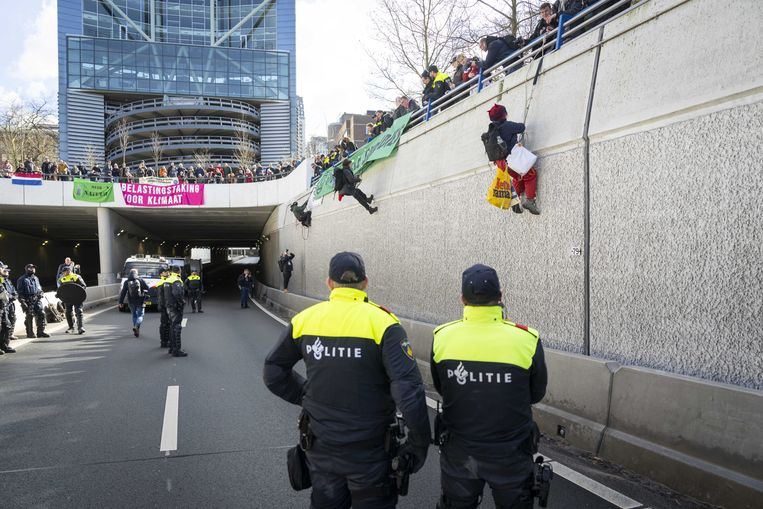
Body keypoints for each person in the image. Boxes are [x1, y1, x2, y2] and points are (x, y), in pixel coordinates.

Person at [263, 251, 431, 509]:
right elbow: (408, 391)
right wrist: (417, 446)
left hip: (321, 448)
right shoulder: (384, 324)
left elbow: (273, 371)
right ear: (365, 282)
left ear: (329, 283)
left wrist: (306, 396)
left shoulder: (305, 320)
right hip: (372, 453)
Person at [431, 264, 548, 509]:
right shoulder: (527, 340)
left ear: (462, 299)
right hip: (511, 455)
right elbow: (535, 394)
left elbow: (442, 387)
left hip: (460, 452)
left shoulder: (442, 336)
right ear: (501, 296)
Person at [488, 103, 540, 215]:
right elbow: (521, 127)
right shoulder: (507, 125)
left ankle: (516, 201)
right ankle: (530, 200)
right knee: (531, 175)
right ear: (504, 115)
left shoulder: (492, 131)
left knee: (518, 177)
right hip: (513, 159)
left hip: (503, 164)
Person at [16, 264, 49, 339]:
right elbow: (20, 292)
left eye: (34, 268)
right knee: (29, 316)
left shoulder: (36, 278)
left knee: (41, 314)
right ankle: (30, 333)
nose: (33, 269)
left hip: (37, 299)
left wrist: (41, 293)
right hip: (28, 300)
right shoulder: (22, 279)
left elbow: (39, 288)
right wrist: (23, 302)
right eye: (31, 268)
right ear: (27, 269)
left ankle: (40, 332)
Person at [163, 266, 187, 357]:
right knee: (177, 328)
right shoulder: (176, 280)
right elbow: (177, 293)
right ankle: (177, 350)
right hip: (175, 307)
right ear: (179, 271)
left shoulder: (167, 280)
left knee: (172, 327)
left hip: (169, 307)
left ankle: (172, 348)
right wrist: (182, 302)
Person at [118, 268, 150, 337]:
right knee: (140, 315)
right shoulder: (141, 280)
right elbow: (148, 288)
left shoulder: (126, 282)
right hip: (140, 301)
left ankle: (136, 328)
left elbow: (123, 292)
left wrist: (120, 302)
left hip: (131, 301)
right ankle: (136, 326)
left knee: (134, 315)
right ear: (137, 273)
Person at [57, 266, 87, 335]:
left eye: (65, 272)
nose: (64, 273)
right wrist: (58, 294)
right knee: (68, 312)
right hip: (67, 298)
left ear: (69, 271)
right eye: (63, 272)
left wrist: (79, 292)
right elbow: (60, 289)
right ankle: (71, 327)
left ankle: (80, 328)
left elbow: (83, 286)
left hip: (77, 298)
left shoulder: (76, 277)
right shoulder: (61, 279)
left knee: (79, 311)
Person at [0, 261, 16, 354]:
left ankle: (4, 345)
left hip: (3, 306)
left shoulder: (2, 279)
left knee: (6, 326)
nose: (4, 270)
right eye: (2, 268)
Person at [1, 263, 19, 340]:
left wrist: (15, 296)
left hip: (9, 304)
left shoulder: (8, 281)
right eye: (4, 270)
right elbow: (4, 293)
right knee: (4, 324)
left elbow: (13, 290)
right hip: (4, 304)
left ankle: (8, 337)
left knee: (11, 320)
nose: (7, 272)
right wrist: (10, 296)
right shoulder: (1, 281)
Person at [155, 267, 171, 348]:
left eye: (168, 271)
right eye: (165, 271)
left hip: (165, 306)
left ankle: (166, 341)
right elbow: (161, 297)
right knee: (165, 324)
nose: (167, 272)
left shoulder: (165, 281)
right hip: (164, 306)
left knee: (166, 324)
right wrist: (164, 306)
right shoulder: (162, 282)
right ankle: (164, 341)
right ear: (161, 273)